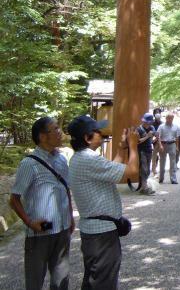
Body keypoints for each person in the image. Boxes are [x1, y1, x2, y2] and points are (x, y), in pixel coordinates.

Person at [68, 115, 139, 290]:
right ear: (87, 137)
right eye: (98, 131)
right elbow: (132, 171)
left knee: (95, 280)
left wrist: (122, 147)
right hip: (101, 235)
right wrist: (133, 145)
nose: (102, 133)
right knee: (103, 283)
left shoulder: (82, 158)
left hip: (96, 232)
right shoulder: (89, 159)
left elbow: (112, 170)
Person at [10, 117, 74, 290]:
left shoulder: (61, 159)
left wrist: (70, 217)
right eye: (55, 129)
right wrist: (30, 222)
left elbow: (66, 189)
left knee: (61, 280)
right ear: (43, 136)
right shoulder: (29, 164)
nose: (60, 132)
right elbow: (14, 199)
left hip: (62, 229)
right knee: (35, 280)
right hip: (40, 233)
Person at [156, 113, 180, 184]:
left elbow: (177, 137)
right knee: (162, 162)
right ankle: (161, 178)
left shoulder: (176, 126)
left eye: (171, 118)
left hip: (172, 144)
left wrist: (177, 146)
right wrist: (160, 145)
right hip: (163, 144)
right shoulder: (161, 126)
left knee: (173, 163)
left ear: (173, 118)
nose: (170, 119)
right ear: (166, 118)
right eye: (168, 118)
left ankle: (173, 179)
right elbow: (158, 137)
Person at [137, 113, 157, 195]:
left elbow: (152, 140)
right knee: (144, 169)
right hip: (142, 151)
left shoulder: (152, 128)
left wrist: (156, 138)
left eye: (148, 122)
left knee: (147, 170)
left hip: (149, 150)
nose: (147, 123)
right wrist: (147, 136)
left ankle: (143, 187)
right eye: (145, 121)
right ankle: (145, 187)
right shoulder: (139, 129)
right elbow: (138, 141)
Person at [151, 110, 162, 175]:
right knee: (154, 157)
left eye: (159, 113)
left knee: (161, 157)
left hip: (161, 142)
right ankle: (154, 170)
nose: (157, 114)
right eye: (156, 113)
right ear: (154, 114)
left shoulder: (162, 123)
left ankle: (159, 169)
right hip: (154, 142)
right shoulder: (152, 123)